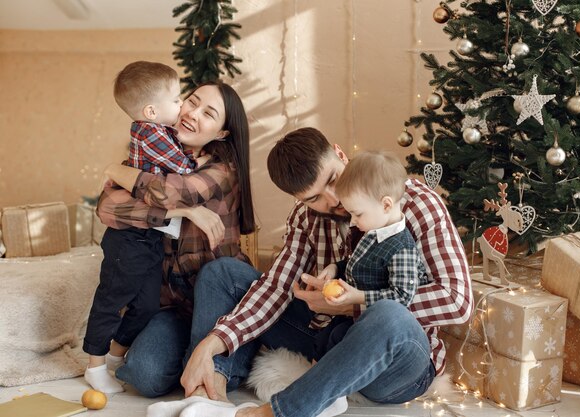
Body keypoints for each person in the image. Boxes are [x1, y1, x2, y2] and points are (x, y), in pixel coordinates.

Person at [152, 127, 472, 417]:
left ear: (340, 153)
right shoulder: (305, 218)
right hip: (326, 342)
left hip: (395, 365)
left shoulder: (414, 202)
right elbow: (276, 288)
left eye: (332, 180)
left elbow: (457, 300)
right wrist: (212, 342)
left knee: (388, 313)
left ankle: (274, 413)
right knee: (222, 273)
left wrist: (352, 304)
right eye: (314, 198)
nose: (333, 200)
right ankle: (210, 394)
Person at [93, 80, 255, 401]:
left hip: (221, 301)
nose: (192, 113)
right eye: (191, 102)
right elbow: (108, 208)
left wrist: (116, 170)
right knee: (142, 375)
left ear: (221, 133)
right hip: (176, 306)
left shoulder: (223, 168)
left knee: (213, 274)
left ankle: (214, 366)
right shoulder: (152, 154)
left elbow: (171, 191)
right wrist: (184, 215)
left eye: (208, 113)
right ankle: (194, 362)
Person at [83, 61, 196, 393]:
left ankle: (115, 356)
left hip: (149, 236)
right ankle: (95, 363)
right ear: (151, 111)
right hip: (127, 238)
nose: (182, 105)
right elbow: (182, 168)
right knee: (111, 298)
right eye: (176, 99)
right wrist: (196, 162)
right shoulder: (148, 132)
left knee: (146, 303)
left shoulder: (161, 131)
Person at [311, 150, 428, 360]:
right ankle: (325, 373)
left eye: (357, 214)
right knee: (325, 338)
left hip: (384, 332)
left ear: (385, 205)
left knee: (340, 338)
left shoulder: (402, 248)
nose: (353, 221)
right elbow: (362, 262)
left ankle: (336, 384)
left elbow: (401, 297)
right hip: (360, 318)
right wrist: (335, 267)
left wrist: (359, 297)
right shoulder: (374, 232)